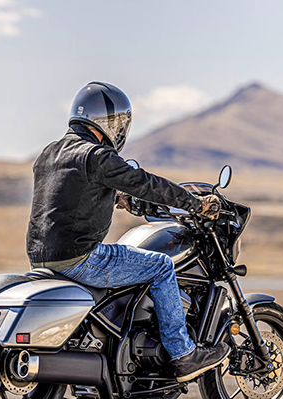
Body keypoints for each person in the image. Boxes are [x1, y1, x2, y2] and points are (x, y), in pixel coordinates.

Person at [26, 81, 230, 382]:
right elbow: (145, 183)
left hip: (41, 258)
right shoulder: (96, 156)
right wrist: (195, 203)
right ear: (106, 123)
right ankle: (182, 353)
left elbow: (68, 196)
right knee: (161, 265)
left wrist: (113, 196)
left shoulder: (50, 153)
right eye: (118, 123)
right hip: (81, 259)